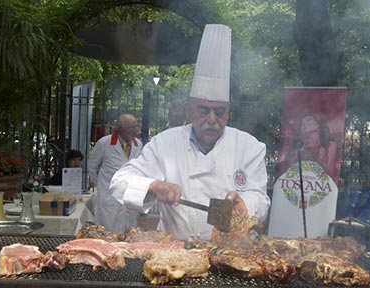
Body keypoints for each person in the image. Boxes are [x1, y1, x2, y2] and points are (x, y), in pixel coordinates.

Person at [109, 24, 270, 241]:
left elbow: (259, 197)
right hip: (174, 255)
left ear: (228, 112)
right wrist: (154, 185)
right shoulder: (165, 143)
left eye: (219, 112)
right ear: (188, 110)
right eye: (204, 110)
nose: (212, 120)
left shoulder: (249, 147)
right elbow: (120, 181)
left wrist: (244, 203)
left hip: (230, 252)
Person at [88, 113, 143, 232]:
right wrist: (103, 186)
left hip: (130, 198)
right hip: (109, 200)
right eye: (131, 127)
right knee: (108, 236)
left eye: (136, 127)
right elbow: (92, 167)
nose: (135, 131)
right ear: (119, 128)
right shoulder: (104, 143)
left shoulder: (138, 144)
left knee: (129, 236)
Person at [276, 113, 339, 181]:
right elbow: (282, 169)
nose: (306, 124)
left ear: (318, 125)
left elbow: (330, 175)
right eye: (303, 124)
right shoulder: (299, 147)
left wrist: (320, 160)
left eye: (308, 120)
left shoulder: (330, 146)